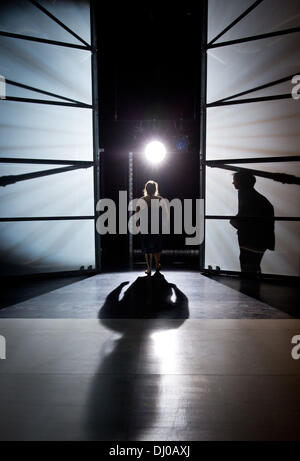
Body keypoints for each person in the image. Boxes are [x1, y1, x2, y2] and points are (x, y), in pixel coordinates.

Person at [230, 172, 275, 274]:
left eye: (235, 180)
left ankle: (249, 287)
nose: (233, 182)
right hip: (260, 239)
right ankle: (252, 286)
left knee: (248, 264)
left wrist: (236, 223)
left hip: (252, 239)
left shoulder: (245, 194)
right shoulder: (256, 197)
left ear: (241, 183)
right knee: (252, 264)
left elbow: (244, 215)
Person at [135, 180, 169, 275]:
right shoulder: (160, 199)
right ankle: (157, 264)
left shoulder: (142, 199)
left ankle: (149, 268)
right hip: (156, 225)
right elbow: (165, 214)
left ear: (146, 189)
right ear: (155, 189)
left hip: (145, 226)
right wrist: (165, 223)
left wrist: (137, 223)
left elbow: (136, 214)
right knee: (156, 247)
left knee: (147, 248)